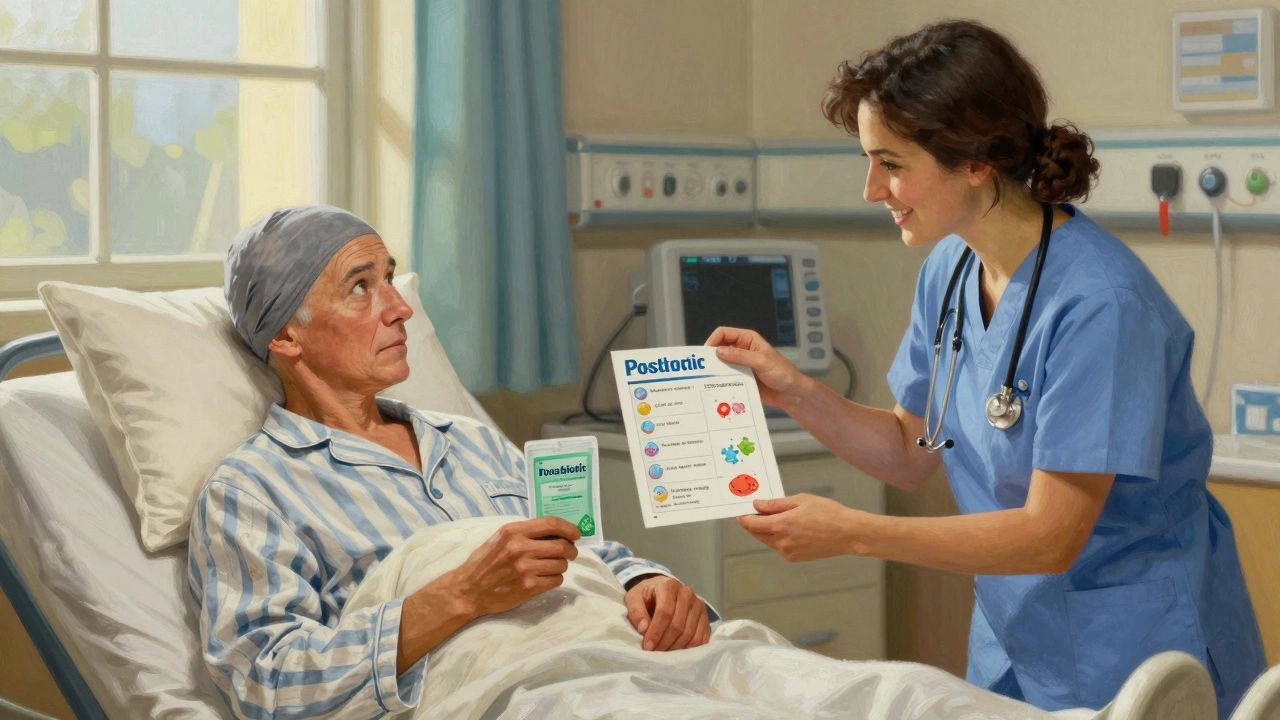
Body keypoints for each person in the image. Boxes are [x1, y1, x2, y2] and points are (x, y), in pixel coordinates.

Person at [706, 19, 1266, 717]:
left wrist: (851, 533)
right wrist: (796, 392)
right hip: (1014, 639)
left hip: (1132, 647)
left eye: (892, 163)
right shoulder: (950, 268)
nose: (871, 188)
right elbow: (914, 449)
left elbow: (1050, 534)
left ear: (976, 160)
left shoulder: (1100, 305)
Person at [188, 205, 712, 719]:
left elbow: (584, 549)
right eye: (360, 288)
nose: (400, 307)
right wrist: (461, 595)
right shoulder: (251, 491)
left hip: (629, 662)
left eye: (389, 278)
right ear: (285, 335)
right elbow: (269, 684)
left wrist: (646, 585)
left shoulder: (470, 441)